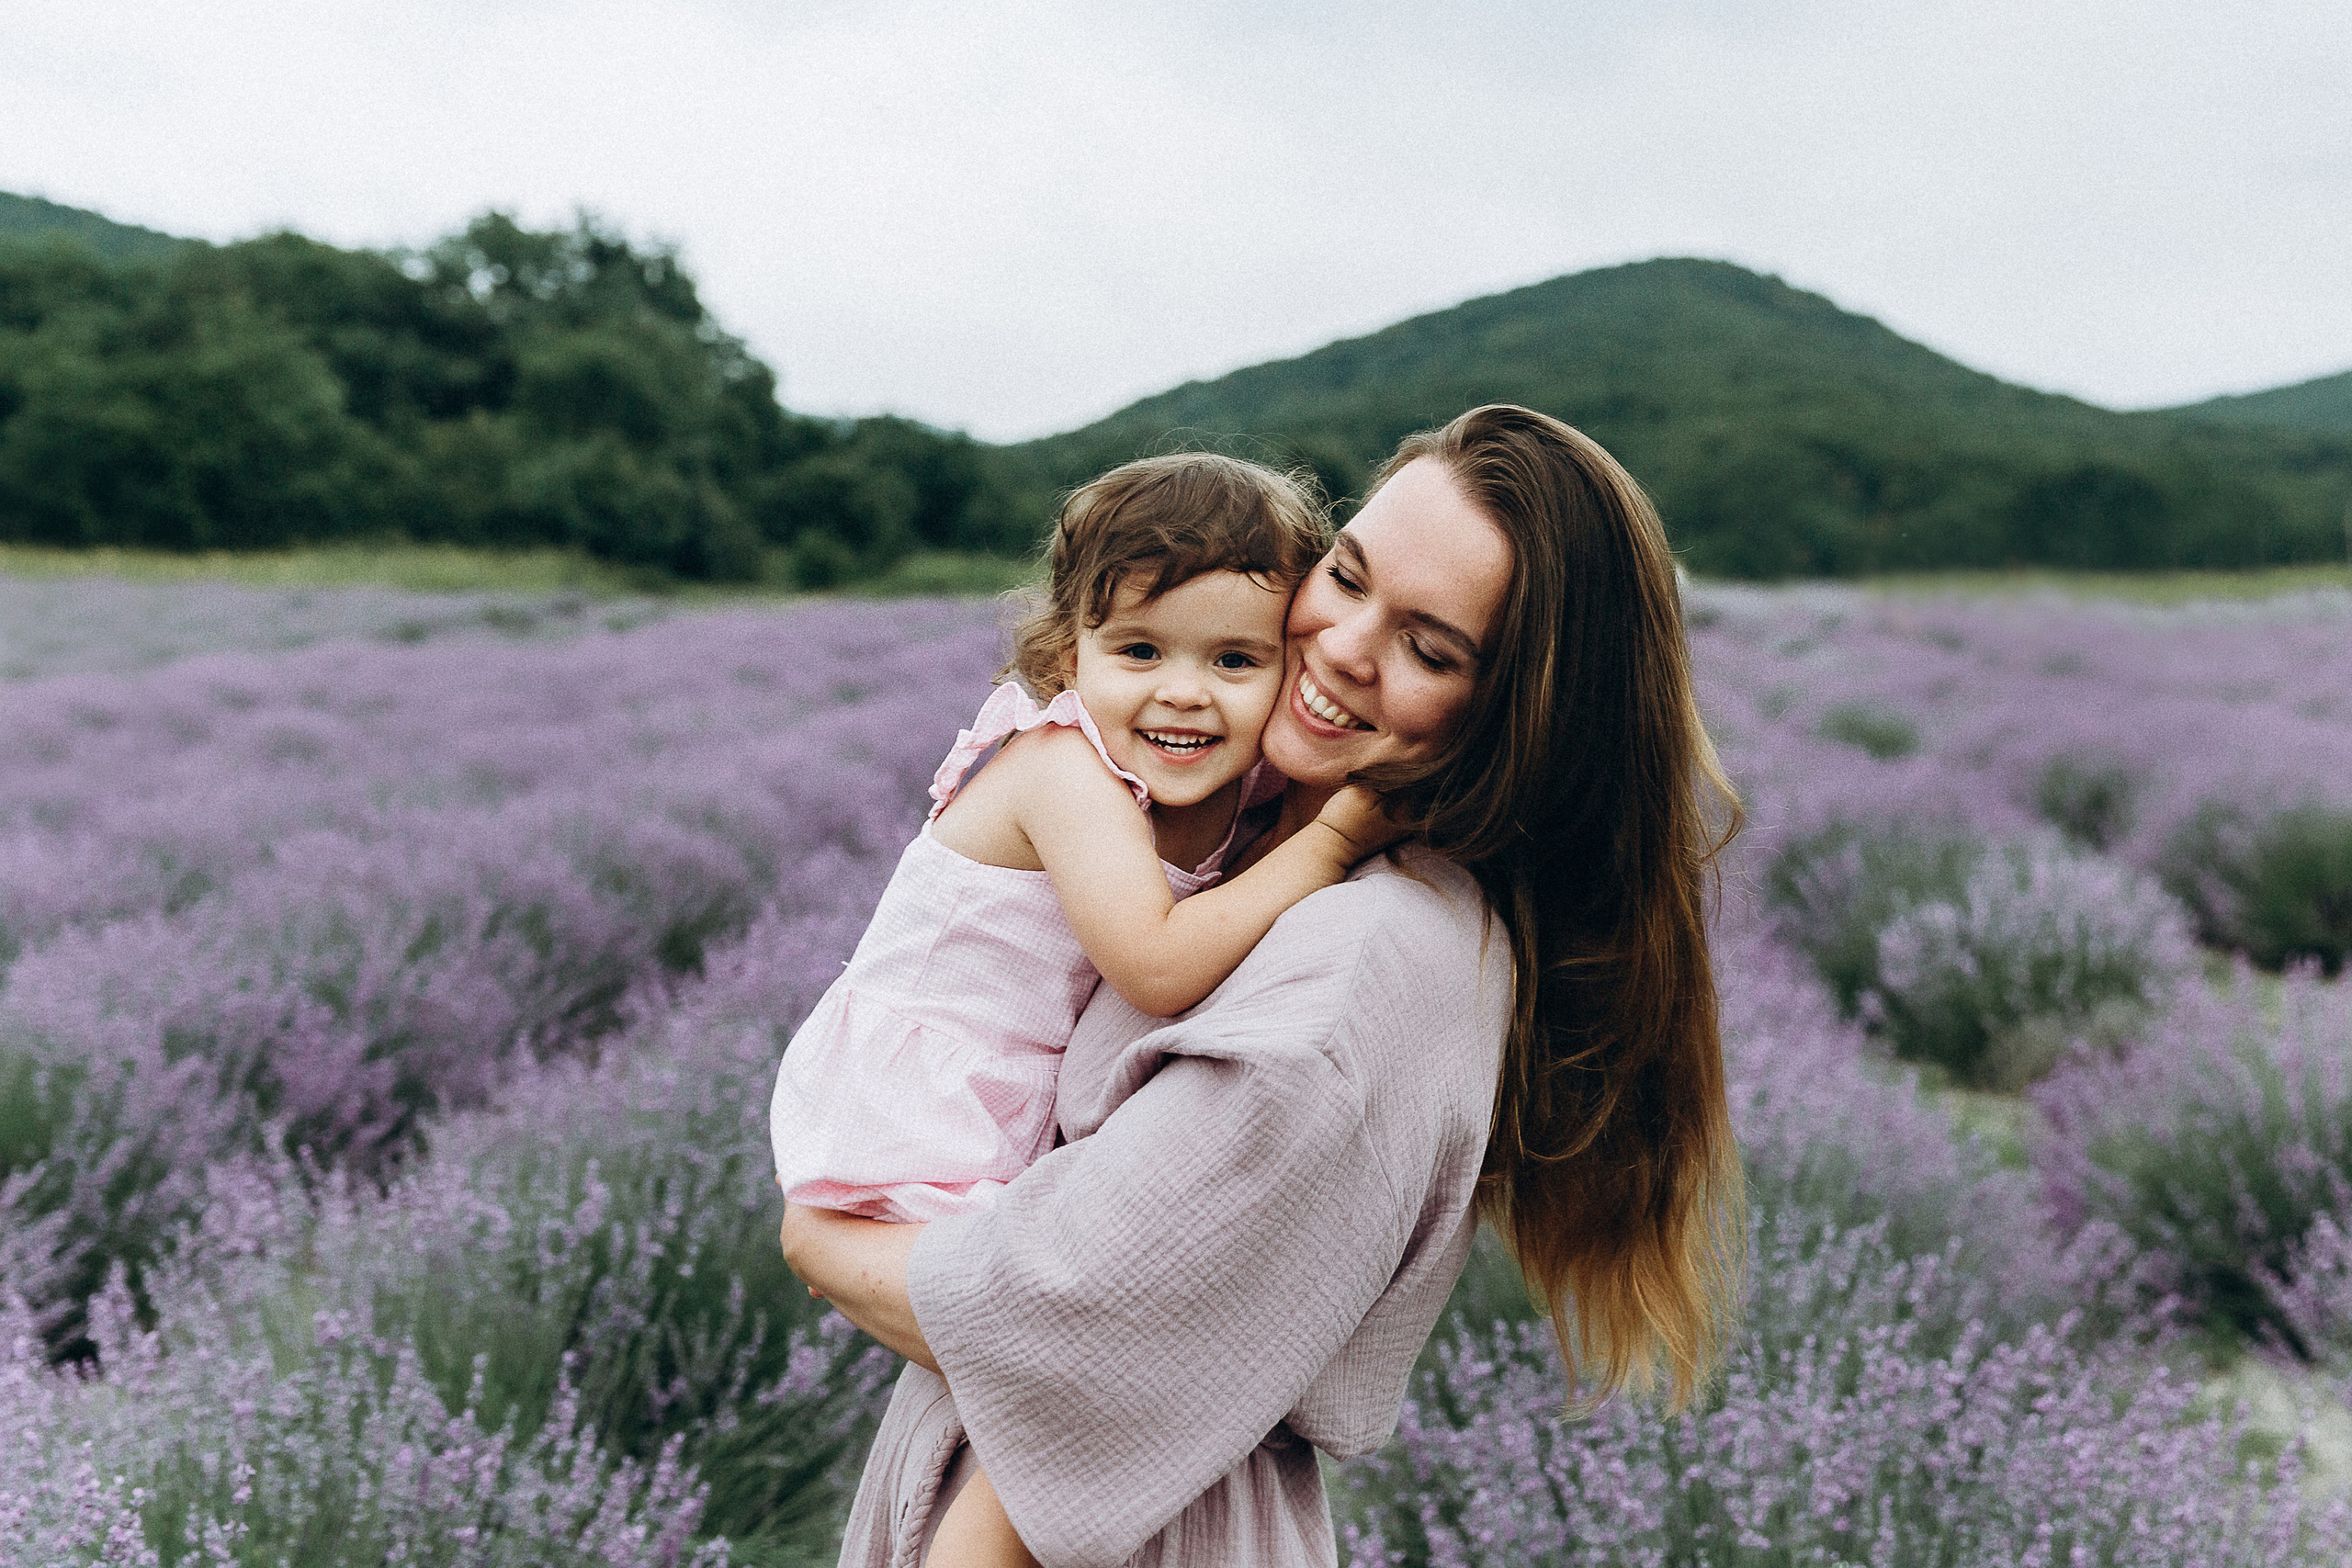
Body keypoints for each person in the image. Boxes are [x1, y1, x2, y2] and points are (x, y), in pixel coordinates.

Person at [783, 404, 1747, 1567]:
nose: (1341, 646)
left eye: (1430, 649)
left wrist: (821, 1245)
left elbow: (1091, 1332)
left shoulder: (1369, 959)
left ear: (1522, 721)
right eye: (1346, 576)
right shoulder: (1238, 839)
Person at [769, 451, 1396, 1568]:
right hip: (936, 1099)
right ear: (1071, 654)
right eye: (1139, 650)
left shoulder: (1217, 778)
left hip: (1017, 1100)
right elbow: (1156, 965)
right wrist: (1338, 838)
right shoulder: (1064, 770)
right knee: (1071, 1354)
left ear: (1290, 667)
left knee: (1087, 1363)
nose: (1184, 690)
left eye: (1234, 658)